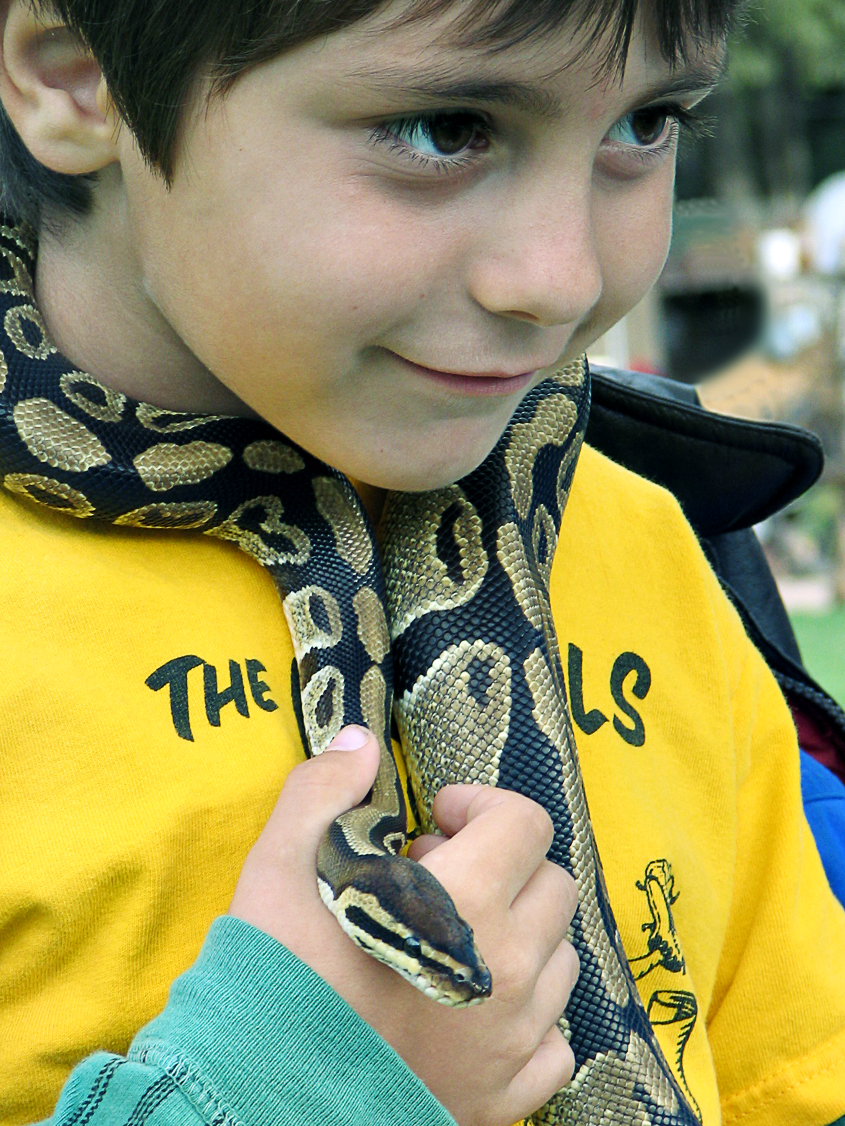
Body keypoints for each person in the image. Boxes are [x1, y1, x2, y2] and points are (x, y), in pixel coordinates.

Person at [0, 2, 843, 1125]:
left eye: (646, 123)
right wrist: (289, 1088)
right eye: (444, 128)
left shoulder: (649, 548)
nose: (558, 278)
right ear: (75, 81)